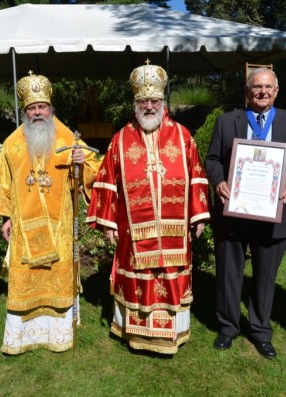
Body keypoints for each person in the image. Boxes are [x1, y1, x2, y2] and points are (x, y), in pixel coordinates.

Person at [86, 62, 210, 354]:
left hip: (174, 230)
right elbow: (107, 181)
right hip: (133, 230)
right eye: (144, 101)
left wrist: (199, 215)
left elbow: (197, 176)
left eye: (154, 101)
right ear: (136, 103)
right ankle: (135, 333)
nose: (150, 106)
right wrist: (108, 223)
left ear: (162, 102)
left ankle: (172, 334)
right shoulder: (120, 139)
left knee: (171, 274)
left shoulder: (182, 136)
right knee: (138, 277)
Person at [0, 72, 100, 354]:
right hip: (23, 227)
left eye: (41, 107)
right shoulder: (12, 144)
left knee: (56, 275)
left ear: (50, 108)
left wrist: (80, 164)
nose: (37, 112)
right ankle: (23, 336)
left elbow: (91, 171)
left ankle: (58, 334)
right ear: (25, 111)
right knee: (26, 275)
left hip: (59, 226)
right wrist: (5, 218)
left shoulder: (68, 137)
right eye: (31, 108)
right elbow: (3, 182)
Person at [205, 67, 286, 359]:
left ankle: (260, 330)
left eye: (268, 87)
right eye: (256, 87)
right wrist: (219, 182)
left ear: (276, 91)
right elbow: (212, 159)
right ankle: (228, 327)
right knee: (228, 273)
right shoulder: (227, 122)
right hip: (234, 212)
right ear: (247, 92)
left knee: (265, 276)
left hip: (274, 213)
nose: (262, 92)